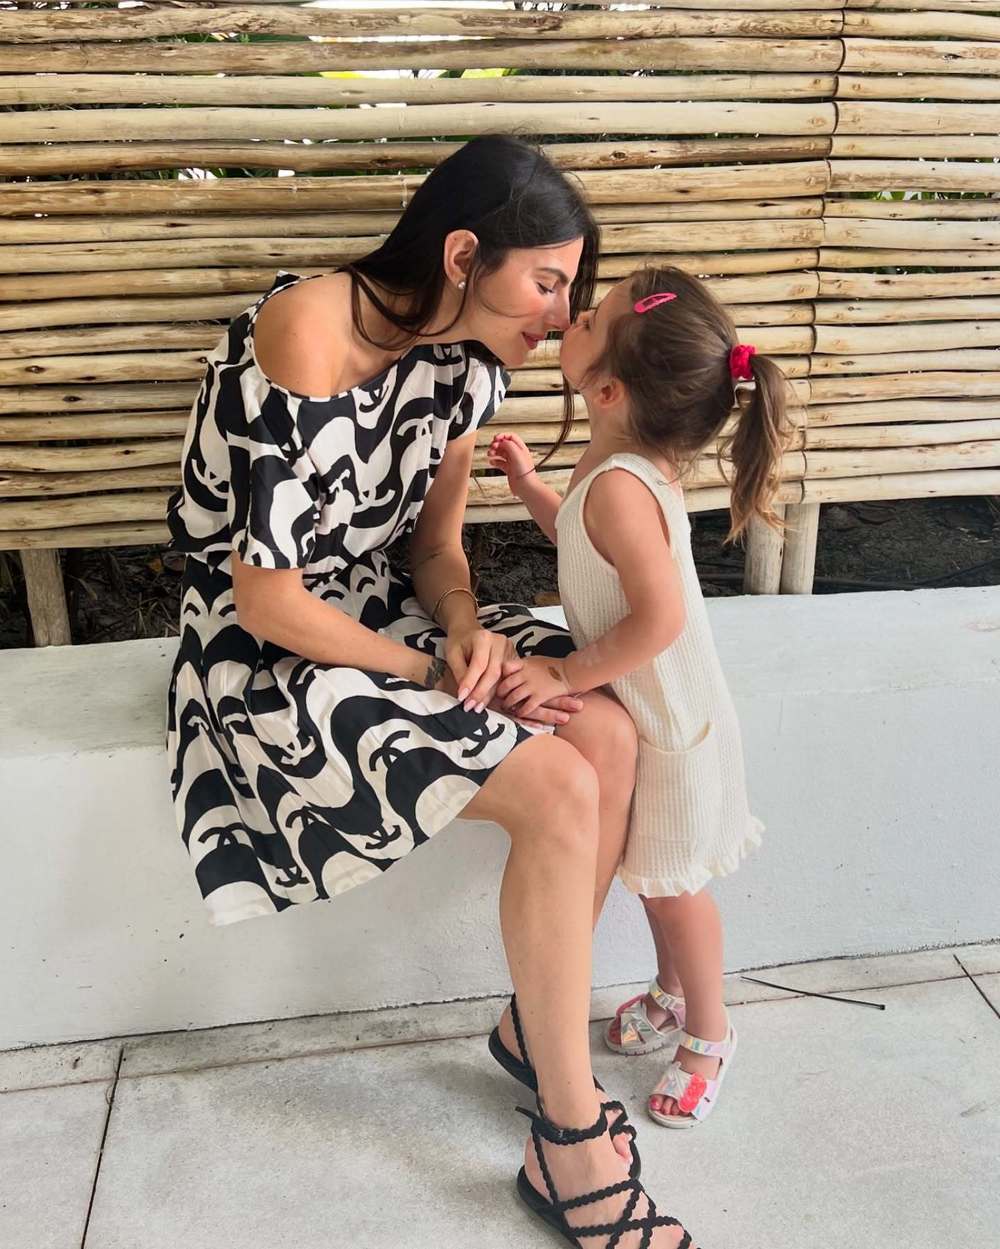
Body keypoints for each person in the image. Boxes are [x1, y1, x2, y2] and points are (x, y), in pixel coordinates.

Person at [166, 138, 697, 1247]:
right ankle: (567, 1137)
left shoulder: (467, 366)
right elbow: (267, 597)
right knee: (557, 784)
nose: (562, 316)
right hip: (266, 650)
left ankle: (533, 1032)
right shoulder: (306, 331)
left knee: (605, 730)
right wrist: (429, 670)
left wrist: (465, 633)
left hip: (389, 617)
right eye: (546, 281)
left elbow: (437, 551)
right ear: (463, 255)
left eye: (570, 290)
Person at [488, 263, 790, 1132]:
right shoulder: (617, 462)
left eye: (591, 320)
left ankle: (710, 1031)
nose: (573, 316)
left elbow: (658, 620)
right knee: (655, 879)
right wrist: (533, 490)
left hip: (673, 729)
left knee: (673, 890)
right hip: (654, 715)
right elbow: (583, 541)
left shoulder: (624, 485)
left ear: (608, 390)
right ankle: (668, 989)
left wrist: (563, 673)